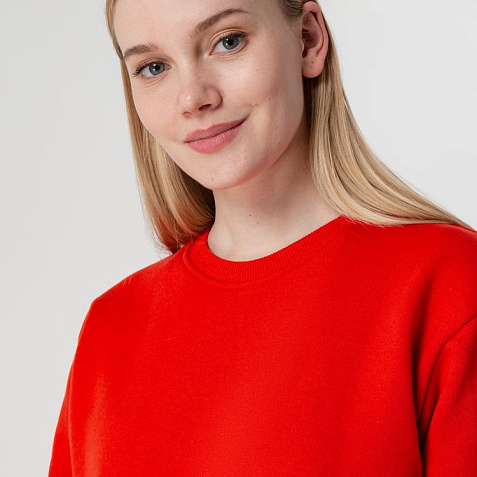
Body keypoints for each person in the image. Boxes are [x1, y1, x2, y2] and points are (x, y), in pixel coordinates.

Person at [48, 0, 477, 475]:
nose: (192, 98)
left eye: (227, 41)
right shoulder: (111, 328)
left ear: (308, 40)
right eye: (153, 67)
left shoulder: (448, 285)